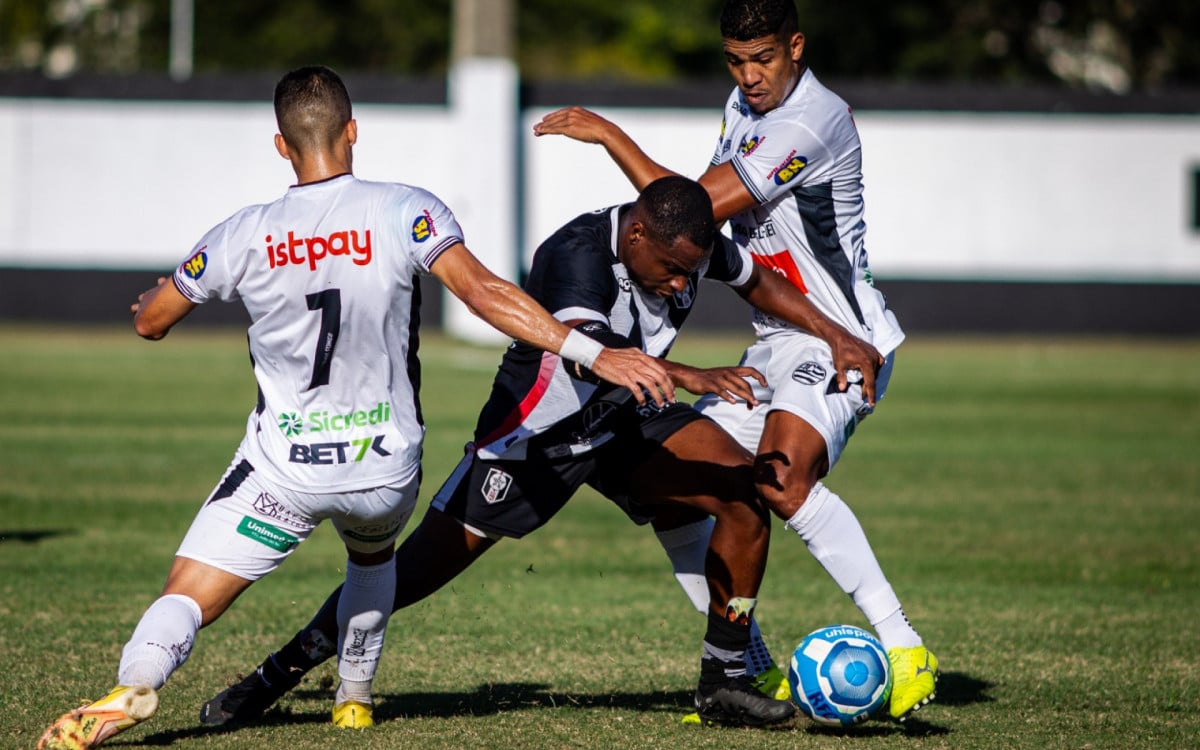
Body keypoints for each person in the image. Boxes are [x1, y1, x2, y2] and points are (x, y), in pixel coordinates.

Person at [35, 65, 681, 750]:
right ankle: (353, 699)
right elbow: (485, 292)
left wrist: (160, 298)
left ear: (281, 146)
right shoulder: (407, 209)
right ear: (352, 132)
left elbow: (153, 321)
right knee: (372, 562)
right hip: (383, 471)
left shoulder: (241, 233)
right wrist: (592, 351)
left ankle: (137, 681)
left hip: (287, 470)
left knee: (185, 595)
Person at [196, 173, 892, 732]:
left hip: (625, 422)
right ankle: (280, 671)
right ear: (638, 231)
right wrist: (693, 375)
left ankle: (726, 679)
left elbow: (757, 281)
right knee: (403, 576)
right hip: (533, 442)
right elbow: (594, 357)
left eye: (692, 273)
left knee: (743, 495)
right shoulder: (574, 254)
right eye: (673, 270)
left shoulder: (688, 243)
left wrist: (835, 334)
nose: (684, 285)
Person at [532, 0, 940, 722]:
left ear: (796, 47)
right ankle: (744, 666)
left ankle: (904, 646)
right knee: (679, 487)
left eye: (764, 60)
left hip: (840, 336)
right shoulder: (741, 106)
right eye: (736, 60)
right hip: (776, 339)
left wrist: (607, 135)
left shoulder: (810, 124)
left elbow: (694, 208)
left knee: (780, 482)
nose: (749, 76)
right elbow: (680, 216)